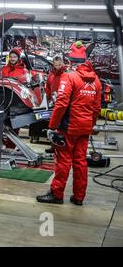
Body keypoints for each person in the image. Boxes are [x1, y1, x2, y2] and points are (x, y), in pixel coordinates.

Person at [36, 60, 101, 205]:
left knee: (63, 161)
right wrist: (91, 125)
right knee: (80, 162)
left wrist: (52, 125)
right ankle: (79, 197)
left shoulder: (69, 77)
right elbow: (97, 108)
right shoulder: (96, 81)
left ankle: (56, 194)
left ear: (77, 67)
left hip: (68, 128)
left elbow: (61, 103)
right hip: (84, 129)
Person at [44, 55, 68, 153]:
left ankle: (62, 146)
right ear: (53, 64)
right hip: (54, 104)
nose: (58, 66)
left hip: (64, 104)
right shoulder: (51, 75)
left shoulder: (66, 74)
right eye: (56, 65)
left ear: (62, 63)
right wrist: (48, 99)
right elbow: (48, 88)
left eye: (59, 64)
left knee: (63, 126)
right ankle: (53, 146)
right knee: (53, 125)